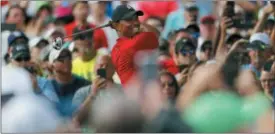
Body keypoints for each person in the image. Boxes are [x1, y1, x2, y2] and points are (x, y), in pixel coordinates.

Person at [110, 4, 159, 87]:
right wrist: (139, 26)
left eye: (136, 18)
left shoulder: (116, 48)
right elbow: (155, 34)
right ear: (117, 25)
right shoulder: (133, 44)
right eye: (129, 19)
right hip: (139, 96)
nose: (136, 22)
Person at [38, 48, 90, 118]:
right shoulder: (47, 87)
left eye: (68, 57)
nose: (66, 61)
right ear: (52, 64)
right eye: (61, 58)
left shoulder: (84, 83)